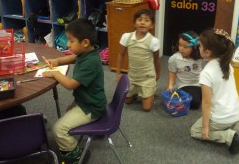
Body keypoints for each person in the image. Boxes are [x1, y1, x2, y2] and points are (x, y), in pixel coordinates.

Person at [42, 19, 107, 164]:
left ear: (85, 42)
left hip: (91, 107)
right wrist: (58, 61)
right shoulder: (88, 52)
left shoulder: (90, 62)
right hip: (87, 101)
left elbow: (71, 84)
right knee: (68, 112)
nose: (67, 44)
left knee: (58, 129)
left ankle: (77, 156)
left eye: (71, 41)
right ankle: (95, 131)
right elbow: (74, 58)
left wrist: (55, 74)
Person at [190, 28, 239, 155]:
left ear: (207, 52)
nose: (198, 49)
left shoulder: (207, 73)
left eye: (200, 47)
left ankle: (229, 137)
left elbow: (206, 103)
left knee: (195, 131)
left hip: (220, 118)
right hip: (236, 114)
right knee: (223, 123)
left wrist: (205, 127)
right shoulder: (228, 65)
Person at [116, 9, 161, 111]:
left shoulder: (153, 41)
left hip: (147, 77)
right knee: (127, 101)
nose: (142, 22)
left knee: (146, 108)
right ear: (134, 23)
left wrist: (158, 73)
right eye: (139, 19)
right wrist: (118, 73)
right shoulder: (127, 37)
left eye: (146, 20)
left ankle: (149, 92)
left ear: (152, 25)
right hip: (133, 76)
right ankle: (136, 92)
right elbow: (121, 54)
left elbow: (157, 59)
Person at [167, 31, 205, 109]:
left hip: (199, 83)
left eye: (185, 47)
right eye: (180, 45)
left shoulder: (200, 56)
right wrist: (170, 85)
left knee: (213, 95)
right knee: (195, 103)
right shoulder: (174, 58)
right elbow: (172, 72)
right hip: (184, 85)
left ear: (194, 47)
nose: (181, 48)